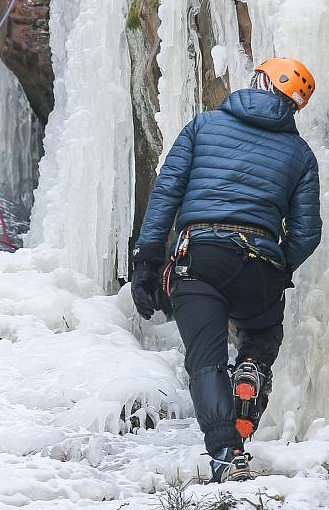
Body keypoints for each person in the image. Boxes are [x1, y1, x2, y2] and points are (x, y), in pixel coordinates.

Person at [130, 58, 321, 483]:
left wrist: (146, 261)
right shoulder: (300, 154)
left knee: (207, 362)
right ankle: (252, 362)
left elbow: (167, 192)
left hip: (201, 257)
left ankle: (225, 452)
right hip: (262, 265)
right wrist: (280, 265)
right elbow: (307, 234)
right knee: (262, 333)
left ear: (259, 81)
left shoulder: (204, 126)